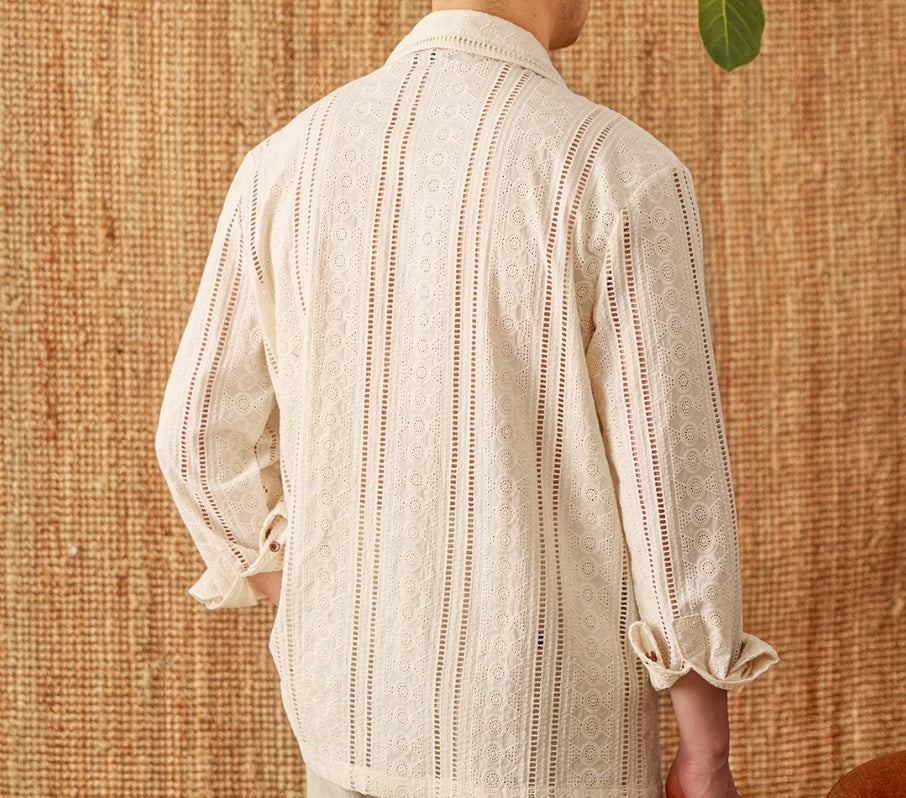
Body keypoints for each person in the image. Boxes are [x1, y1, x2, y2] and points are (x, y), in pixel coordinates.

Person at [154, 0, 779, 795]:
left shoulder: (285, 164)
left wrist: (312, 596)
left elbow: (195, 436)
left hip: (348, 724)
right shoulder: (621, 172)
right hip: (550, 746)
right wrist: (705, 752)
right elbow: (671, 497)